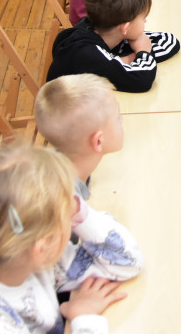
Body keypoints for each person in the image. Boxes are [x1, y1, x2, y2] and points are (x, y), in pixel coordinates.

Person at [0, 144, 127, 333]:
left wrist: (79, 212)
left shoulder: (13, 257)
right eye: (69, 215)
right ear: (42, 246)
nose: (73, 215)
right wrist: (85, 320)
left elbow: (124, 261)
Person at [33, 74, 144, 289]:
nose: (122, 121)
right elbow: (118, 260)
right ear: (98, 141)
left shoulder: (55, 162)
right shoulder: (63, 201)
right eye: (119, 118)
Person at [51, 0, 180, 92]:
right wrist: (142, 52)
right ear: (125, 28)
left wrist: (127, 58)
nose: (145, 20)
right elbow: (141, 80)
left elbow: (168, 41)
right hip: (63, 113)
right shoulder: (89, 54)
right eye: (143, 17)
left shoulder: (101, 29)